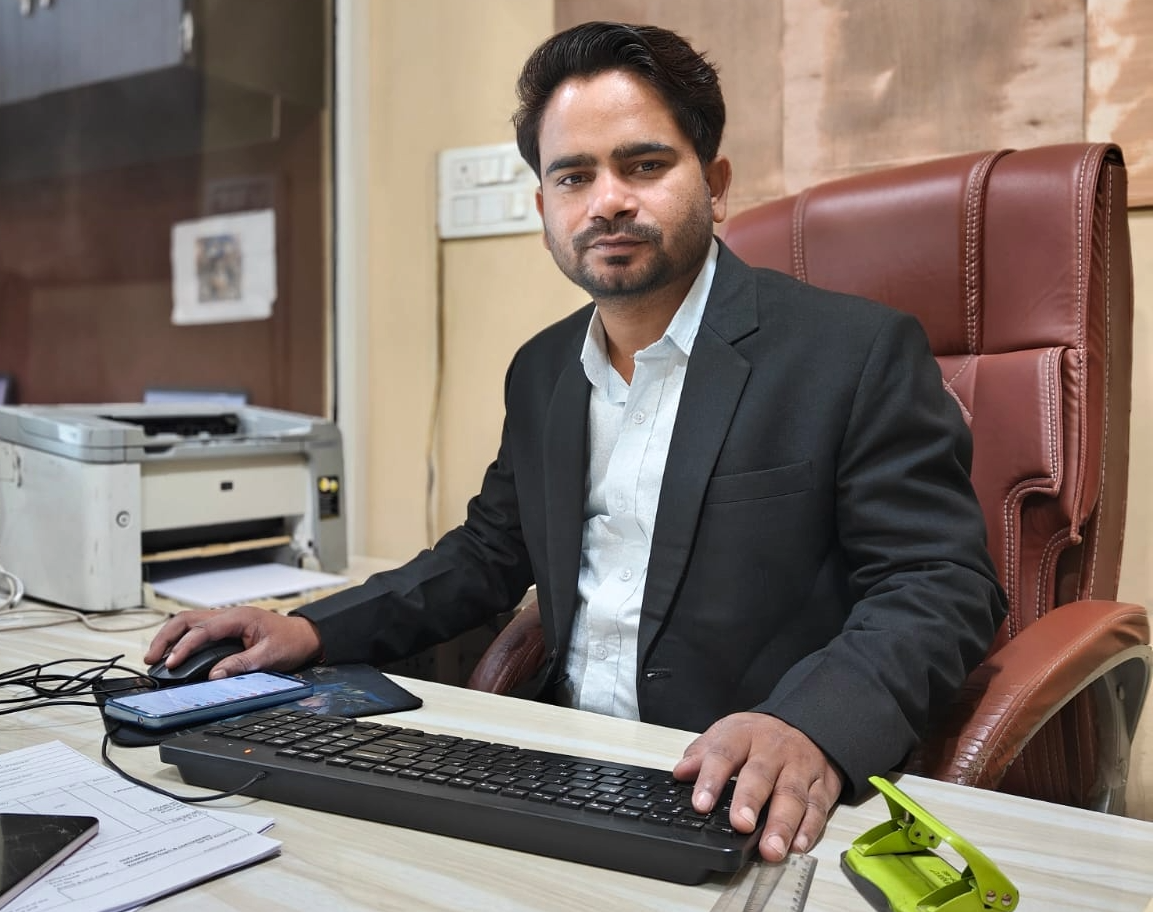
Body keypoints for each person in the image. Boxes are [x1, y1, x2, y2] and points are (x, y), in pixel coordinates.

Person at [146, 21, 1006, 863]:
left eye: (644, 165)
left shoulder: (850, 352)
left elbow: (939, 582)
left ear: (714, 182)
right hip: (559, 766)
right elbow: (488, 554)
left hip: (743, 788)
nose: (607, 201)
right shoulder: (542, 369)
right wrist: (307, 629)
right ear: (543, 208)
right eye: (573, 176)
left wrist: (808, 724)